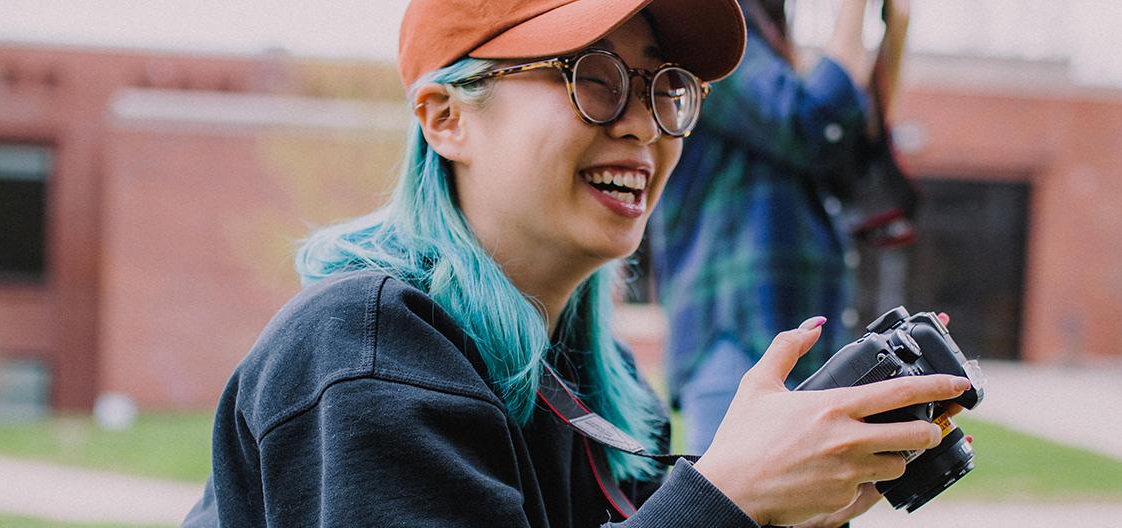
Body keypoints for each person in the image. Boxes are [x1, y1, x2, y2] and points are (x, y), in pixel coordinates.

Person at [182, 0, 966, 526]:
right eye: (592, 78)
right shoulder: (365, 347)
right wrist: (724, 498)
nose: (642, 127)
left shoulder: (605, 391)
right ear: (447, 117)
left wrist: (784, 504)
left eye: (668, 88)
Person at [648, 0, 913, 455]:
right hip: (736, 333)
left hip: (797, 334)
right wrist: (855, 10)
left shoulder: (772, 43)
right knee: (734, 516)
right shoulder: (715, 35)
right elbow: (809, 124)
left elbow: (851, 156)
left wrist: (896, 30)